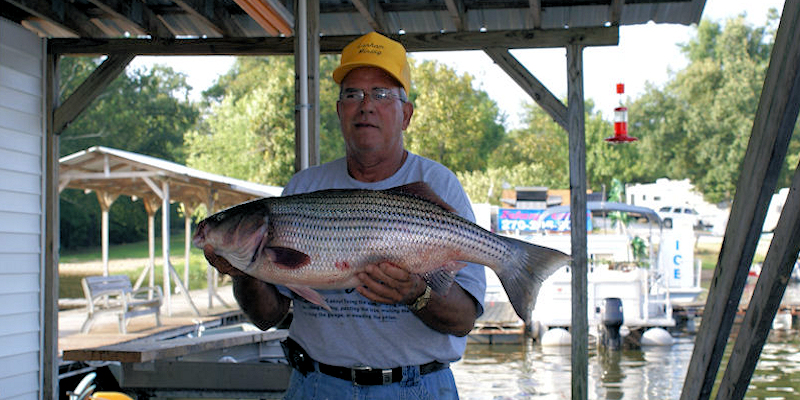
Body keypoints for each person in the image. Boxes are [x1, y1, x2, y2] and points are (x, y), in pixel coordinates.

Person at [203, 31, 486, 399]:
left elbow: (463, 320)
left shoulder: (438, 184)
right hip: (316, 386)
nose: (366, 105)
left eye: (382, 94)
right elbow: (266, 317)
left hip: (415, 389)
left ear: (407, 115)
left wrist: (415, 293)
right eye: (352, 94)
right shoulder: (304, 187)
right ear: (339, 111)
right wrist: (246, 270)